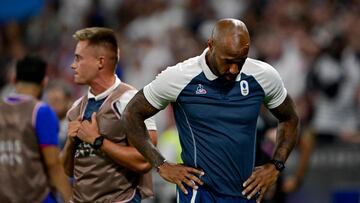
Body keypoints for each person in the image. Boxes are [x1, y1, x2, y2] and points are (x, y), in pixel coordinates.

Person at [121, 18, 299, 203]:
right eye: (228, 61)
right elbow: (131, 113)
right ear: (211, 45)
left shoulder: (264, 76)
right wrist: (161, 164)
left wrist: (276, 165)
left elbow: (290, 118)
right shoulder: (180, 77)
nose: (234, 69)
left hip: (246, 193)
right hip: (200, 193)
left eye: (241, 61)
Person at [61, 27, 158, 202]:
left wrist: (98, 141)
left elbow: (146, 160)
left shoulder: (131, 101)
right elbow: (68, 170)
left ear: (100, 62)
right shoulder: (75, 109)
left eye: (78, 58)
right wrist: (70, 142)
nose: (72, 65)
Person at [0, 55, 72, 203]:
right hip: (37, 197)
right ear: (44, 82)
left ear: (14, 80)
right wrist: (70, 199)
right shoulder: (41, 111)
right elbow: (54, 165)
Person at [45, 80, 74, 149]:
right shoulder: (45, 124)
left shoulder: (75, 124)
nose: (52, 105)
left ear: (68, 100)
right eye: (50, 100)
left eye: (57, 100)